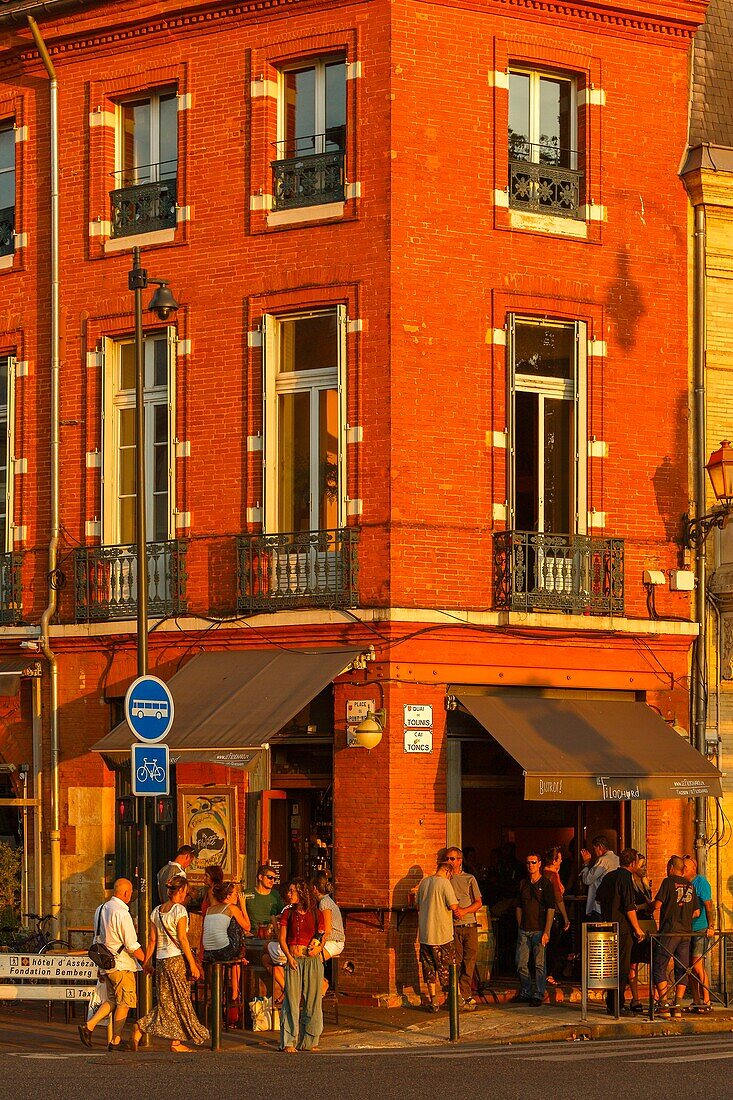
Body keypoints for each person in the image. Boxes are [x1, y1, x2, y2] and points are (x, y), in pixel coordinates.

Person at [128, 875, 209, 1053]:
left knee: (167, 1001)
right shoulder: (179, 910)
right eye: (185, 890)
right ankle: (174, 1040)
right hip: (176, 959)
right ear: (181, 891)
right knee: (180, 999)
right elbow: (182, 939)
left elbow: (151, 940)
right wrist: (192, 964)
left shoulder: (156, 911)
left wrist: (147, 962)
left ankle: (142, 1029)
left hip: (161, 960)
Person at [78, 878, 145, 1051]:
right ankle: (115, 1041)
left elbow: (97, 938)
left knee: (112, 1000)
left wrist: (99, 968)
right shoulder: (122, 913)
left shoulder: (100, 909)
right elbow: (131, 944)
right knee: (125, 1002)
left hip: (106, 963)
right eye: (130, 893)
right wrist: (147, 959)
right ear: (126, 893)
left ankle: (89, 1026)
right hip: (122, 964)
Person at [596, 848, 647, 1016]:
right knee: (622, 968)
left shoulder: (609, 876)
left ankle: (611, 1003)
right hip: (622, 929)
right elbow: (629, 907)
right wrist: (638, 929)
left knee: (611, 967)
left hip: (607, 927)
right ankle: (618, 1005)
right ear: (632, 863)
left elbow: (599, 897)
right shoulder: (626, 878)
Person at [278, 878, 326, 1052]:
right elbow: (282, 939)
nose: (289, 894)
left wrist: (318, 947)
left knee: (313, 1001)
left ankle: (310, 1040)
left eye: (293, 891)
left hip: (312, 960)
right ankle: (289, 1041)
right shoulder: (288, 913)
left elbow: (322, 934)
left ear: (302, 893)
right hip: (294, 959)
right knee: (291, 1000)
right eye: (289, 891)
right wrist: (289, 957)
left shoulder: (316, 913)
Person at [652, 855, 699, 1018]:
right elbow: (696, 912)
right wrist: (683, 915)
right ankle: (677, 1005)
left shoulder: (668, 882)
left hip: (670, 931)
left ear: (672, 867)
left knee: (659, 964)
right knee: (682, 968)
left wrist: (647, 905)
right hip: (686, 933)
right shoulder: (690, 886)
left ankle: (664, 1004)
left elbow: (657, 904)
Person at [202, 880, 251, 1016]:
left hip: (209, 953)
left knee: (230, 924)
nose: (237, 896)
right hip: (224, 951)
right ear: (228, 896)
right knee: (236, 924)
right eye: (235, 894)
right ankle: (235, 991)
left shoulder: (210, 910)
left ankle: (240, 959)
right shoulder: (231, 908)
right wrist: (243, 907)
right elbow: (247, 926)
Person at [417, 856, 460, 1012]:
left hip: (425, 934)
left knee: (429, 968)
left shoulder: (424, 883)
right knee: (446, 968)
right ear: (448, 871)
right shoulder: (444, 883)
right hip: (442, 934)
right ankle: (452, 999)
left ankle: (433, 1000)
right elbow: (453, 905)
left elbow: (417, 905)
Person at [515, 852, 555, 1006]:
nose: (530, 865)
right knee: (521, 962)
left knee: (539, 964)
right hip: (524, 929)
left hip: (539, 929)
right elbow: (518, 906)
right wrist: (520, 925)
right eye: (528, 863)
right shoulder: (523, 883)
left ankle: (539, 993)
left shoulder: (546, 884)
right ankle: (526, 991)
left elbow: (551, 908)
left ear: (539, 864)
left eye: (533, 862)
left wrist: (547, 931)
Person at [446, 846, 482, 1010]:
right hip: (453, 927)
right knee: (456, 962)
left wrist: (464, 911)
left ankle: (465, 994)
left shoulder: (469, 879)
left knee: (470, 961)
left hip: (469, 924)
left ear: (460, 861)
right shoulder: (445, 880)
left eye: (453, 859)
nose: (450, 862)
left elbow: (478, 902)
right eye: (447, 859)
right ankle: (456, 995)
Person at [683, 854, 715, 1013]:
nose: (683, 870)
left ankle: (706, 1000)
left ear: (693, 868)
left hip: (700, 928)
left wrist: (711, 925)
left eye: (686, 868)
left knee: (697, 964)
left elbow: (708, 905)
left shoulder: (701, 882)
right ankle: (696, 1000)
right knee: (689, 966)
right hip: (687, 929)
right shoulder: (683, 883)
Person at [311, 872, 345, 997]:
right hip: (331, 940)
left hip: (334, 941)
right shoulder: (326, 901)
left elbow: (327, 929)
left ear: (314, 888)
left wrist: (318, 945)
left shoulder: (324, 903)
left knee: (313, 959)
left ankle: (322, 984)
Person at [628, 852, 654, 1012]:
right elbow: (630, 906)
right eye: (641, 865)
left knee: (653, 960)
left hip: (648, 924)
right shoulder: (630, 884)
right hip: (636, 924)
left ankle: (656, 997)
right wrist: (645, 906)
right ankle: (635, 998)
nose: (644, 869)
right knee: (633, 962)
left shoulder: (644, 884)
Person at [543, 846, 570, 984]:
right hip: (554, 914)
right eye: (559, 858)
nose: (561, 861)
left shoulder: (543, 873)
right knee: (552, 945)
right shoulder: (552, 875)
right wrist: (565, 917)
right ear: (554, 860)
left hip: (543, 913)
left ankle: (543, 973)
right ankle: (549, 974)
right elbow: (558, 897)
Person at [579, 835, 619, 917]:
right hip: (612, 903)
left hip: (599, 904)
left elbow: (587, 880)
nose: (594, 852)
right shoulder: (617, 859)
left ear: (600, 846)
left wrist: (586, 863)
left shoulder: (603, 860)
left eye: (594, 848)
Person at [244, 864, 285, 934]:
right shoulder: (247, 893)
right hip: (250, 935)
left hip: (270, 935)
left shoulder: (276, 895)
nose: (272, 880)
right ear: (260, 877)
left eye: (274, 879)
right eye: (269, 877)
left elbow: (283, 915)